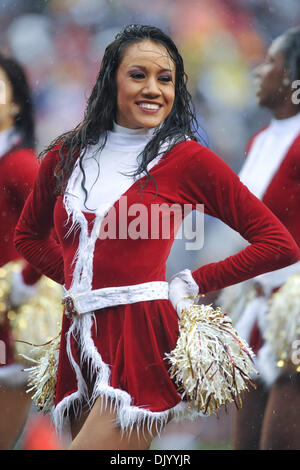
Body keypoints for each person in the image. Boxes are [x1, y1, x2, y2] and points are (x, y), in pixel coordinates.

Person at [14, 24, 300, 451]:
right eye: (138, 75)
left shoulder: (186, 159)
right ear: (111, 78)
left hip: (141, 343)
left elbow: (278, 243)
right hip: (75, 342)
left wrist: (192, 282)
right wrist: (81, 284)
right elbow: (28, 238)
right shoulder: (66, 154)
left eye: (165, 79)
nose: (153, 89)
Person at [227, 27, 300, 450]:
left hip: (293, 315)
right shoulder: (259, 140)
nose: (260, 71)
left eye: (271, 62)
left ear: (293, 79)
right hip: (257, 307)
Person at [0, 53, 42, 449]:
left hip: (8, 325)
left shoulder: (18, 163)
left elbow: (55, 228)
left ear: (15, 105)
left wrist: (23, 281)